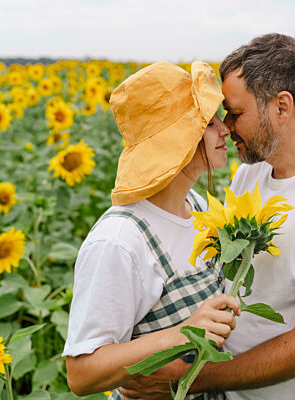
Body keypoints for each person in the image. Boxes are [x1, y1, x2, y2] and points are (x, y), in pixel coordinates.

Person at [117, 34, 295, 400]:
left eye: (236, 112)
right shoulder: (252, 174)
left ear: (282, 107)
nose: (225, 127)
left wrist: (191, 378)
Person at [62, 61, 240, 400]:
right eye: (209, 122)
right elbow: (82, 373)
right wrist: (182, 333)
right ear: (178, 138)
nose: (225, 130)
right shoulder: (119, 241)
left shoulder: (199, 208)